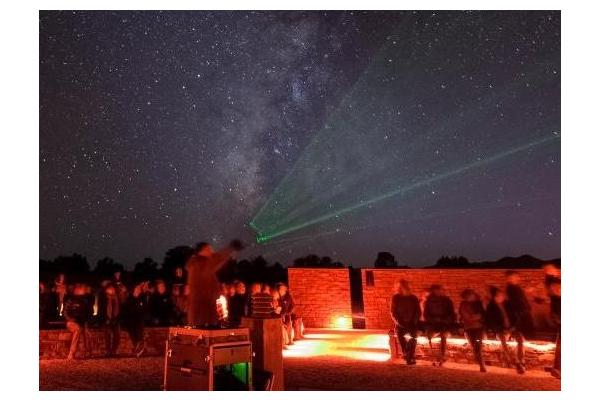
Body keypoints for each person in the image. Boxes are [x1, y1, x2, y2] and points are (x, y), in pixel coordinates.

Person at [185, 240, 244, 327]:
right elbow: (216, 259)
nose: (212, 252)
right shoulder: (199, 265)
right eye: (209, 249)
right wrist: (231, 248)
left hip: (204, 312)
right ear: (202, 250)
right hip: (202, 315)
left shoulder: (199, 264)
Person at [505, 270, 534, 374]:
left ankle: (520, 362)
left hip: (520, 319)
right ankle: (519, 363)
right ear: (509, 278)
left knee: (521, 341)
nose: (516, 279)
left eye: (516, 277)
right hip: (517, 320)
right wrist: (514, 324)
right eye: (513, 277)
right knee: (520, 341)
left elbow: (522, 303)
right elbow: (515, 307)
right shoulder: (511, 290)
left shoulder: (516, 289)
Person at [390, 279, 421, 365]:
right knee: (400, 335)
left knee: (414, 336)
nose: (404, 288)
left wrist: (414, 321)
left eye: (405, 286)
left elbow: (418, 311)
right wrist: (399, 322)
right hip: (401, 324)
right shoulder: (396, 298)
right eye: (401, 286)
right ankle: (409, 356)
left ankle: (408, 355)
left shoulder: (413, 298)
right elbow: (393, 312)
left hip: (412, 323)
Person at [424, 284, 456, 366]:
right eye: (437, 290)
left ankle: (442, 356)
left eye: (440, 290)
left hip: (444, 324)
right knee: (429, 335)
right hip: (433, 324)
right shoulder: (429, 301)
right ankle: (433, 357)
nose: (439, 292)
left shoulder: (447, 301)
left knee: (443, 336)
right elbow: (426, 314)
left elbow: (452, 314)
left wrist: (445, 320)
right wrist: (433, 319)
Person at [485, 286, 514, 368]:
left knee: (520, 340)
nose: (502, 295)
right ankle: (508, 361)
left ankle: (518, 361)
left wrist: (512, 327)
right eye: (500, 294)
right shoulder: (491, 307)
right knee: (503, 340)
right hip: (500, 330)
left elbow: (513, 316)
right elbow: (491, 322)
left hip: (510, 328)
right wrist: (501, 329)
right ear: (495, 296)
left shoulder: (507, 304)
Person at [459, 289, 487, 372]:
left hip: (479, 328)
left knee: (477, 345)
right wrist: (476, 317)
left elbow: (483, 315)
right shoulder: (463, 305)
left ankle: (482, 365)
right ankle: (480, 363)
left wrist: (476, 317)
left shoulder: (479, 303)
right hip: (469, 328)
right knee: (474, 347)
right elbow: (467, 317)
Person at [63, 284, 90, 360]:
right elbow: (65, 312)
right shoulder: (69, 300)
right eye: (79, 289)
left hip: (81, 322)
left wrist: (85, 323)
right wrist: (70, 319)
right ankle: (71, 354)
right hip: (71, 322)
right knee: (77, 330)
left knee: (86, 333)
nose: (81, 290)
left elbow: (87, 314)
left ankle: (85, 353)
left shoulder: (85, 302)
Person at [121, 282, 148, 357]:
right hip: (130, 318)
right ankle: (138, 344)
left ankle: (138, 345)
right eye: (137, 289)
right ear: (134, 290)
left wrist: (138, 309)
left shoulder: (142, 297)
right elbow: (128, 308)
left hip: (139, 317)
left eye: (139, 289)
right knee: (131, 327)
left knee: (139, 325)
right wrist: (136, 309)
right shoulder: (130, 298)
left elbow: (144, 308)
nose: (138, 290)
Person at [99, 284, 121, 357]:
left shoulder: (117, 298)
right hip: (106, 319)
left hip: (115, 319)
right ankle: (108, 351)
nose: (111, 290)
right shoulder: (104, 298)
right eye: (109, 289)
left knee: (117, 334)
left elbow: (119, 310)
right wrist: (106, 319)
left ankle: (113, 350)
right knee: (107, 333)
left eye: (112, 289)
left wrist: (116, 319)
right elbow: (101, 310)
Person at [546, 275, 561, 379]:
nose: (557, 288)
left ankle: (556, 369)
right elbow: (554, 315)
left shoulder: (558, 298)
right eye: (554, 286)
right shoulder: (554, 299)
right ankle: (556, 369)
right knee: (560, 348)